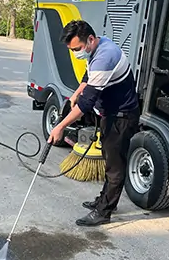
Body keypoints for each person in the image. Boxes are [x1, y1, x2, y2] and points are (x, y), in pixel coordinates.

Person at [48, 20, 140, 227]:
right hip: (111, 113)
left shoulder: (105, 57)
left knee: (115, 166)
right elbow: (87, 75)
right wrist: (75, 92)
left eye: (77, 49)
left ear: (90, 39)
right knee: (109, 158)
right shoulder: (100, 45)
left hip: (121, 116)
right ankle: (105, 200)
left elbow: (87, 103)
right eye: (72, 50)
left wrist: (60, 126)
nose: (76, 53)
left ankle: (104, 211)